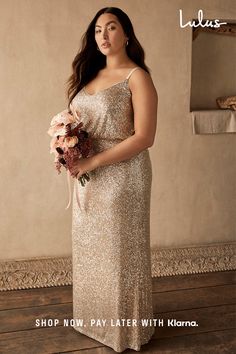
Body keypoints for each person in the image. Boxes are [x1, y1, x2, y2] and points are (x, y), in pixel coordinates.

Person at [66, 6, 158, 353]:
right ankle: (94, 322)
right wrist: (67, 148)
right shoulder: (88, 76)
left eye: (112, 28)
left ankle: (124, 332)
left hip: (124, 175)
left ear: (127, 34)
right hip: (88, 175)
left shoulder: (137, 77)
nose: (104, 36)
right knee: (91, 248)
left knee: (121, 252)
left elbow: (144, 137)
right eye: (98, 30)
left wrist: (94, 161)